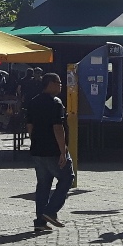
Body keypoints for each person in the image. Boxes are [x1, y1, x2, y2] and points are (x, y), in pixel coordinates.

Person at [25, 72, 73, 231]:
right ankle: (50, 211)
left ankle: (40, 221)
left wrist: (35, 141)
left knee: (43, 185)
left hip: (38, 150)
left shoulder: (33, 102)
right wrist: (62, 150)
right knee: (67, 177)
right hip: (53, 149)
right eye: (58, 82)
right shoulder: (56, 103)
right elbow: (58, 127)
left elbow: (30, 126)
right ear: (50, 83)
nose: (61, 85)